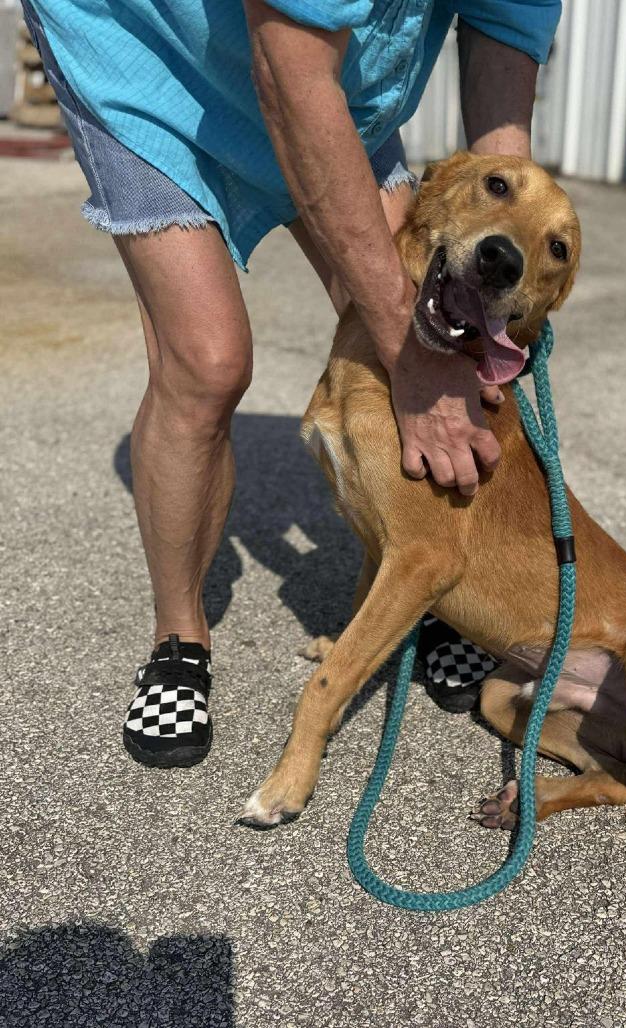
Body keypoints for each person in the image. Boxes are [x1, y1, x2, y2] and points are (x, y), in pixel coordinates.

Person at [21, 0, 561, 767]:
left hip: (330, 78)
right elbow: (289, 76)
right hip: (147, 57)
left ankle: (426, 590)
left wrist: (498, 238)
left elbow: (505, 33)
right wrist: (410, 351)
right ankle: (179, 638)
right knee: (207, 364)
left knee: (430, 314)